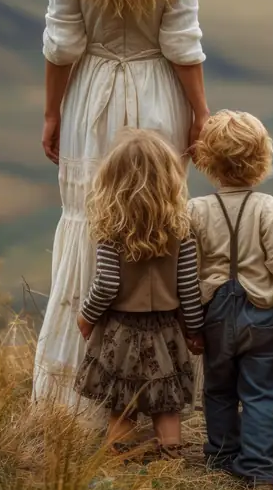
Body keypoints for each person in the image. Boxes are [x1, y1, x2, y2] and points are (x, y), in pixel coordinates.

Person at [35, 0, 210, 407]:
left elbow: (62, 45)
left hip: (91, 97)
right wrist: (201, 115)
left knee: (91, 223)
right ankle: (157, 390)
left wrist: (52, 113)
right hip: (159, 96)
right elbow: (182, 45)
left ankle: (79, 397)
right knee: (157, 228)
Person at [190, 110, 273, 490]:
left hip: (213, 312)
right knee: (260, 392)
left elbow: (188, 270)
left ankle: (222, 455)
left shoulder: (195, 209)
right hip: (260, 312)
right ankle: (258, 467)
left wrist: (189, 321)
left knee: (218, 387)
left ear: (207, 161)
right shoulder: (267, 206)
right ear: (262, 160)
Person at [74, 130, 203, 458]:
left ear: (113, 182)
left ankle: (121, 456)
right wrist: (193, 329)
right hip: (165, 329)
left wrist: (86, 316)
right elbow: (188, 288)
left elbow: (106, 284)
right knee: (167, 401)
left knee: (121, 401)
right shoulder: (181, 230)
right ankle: (170, 458)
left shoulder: (111, 231)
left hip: (121, 331)